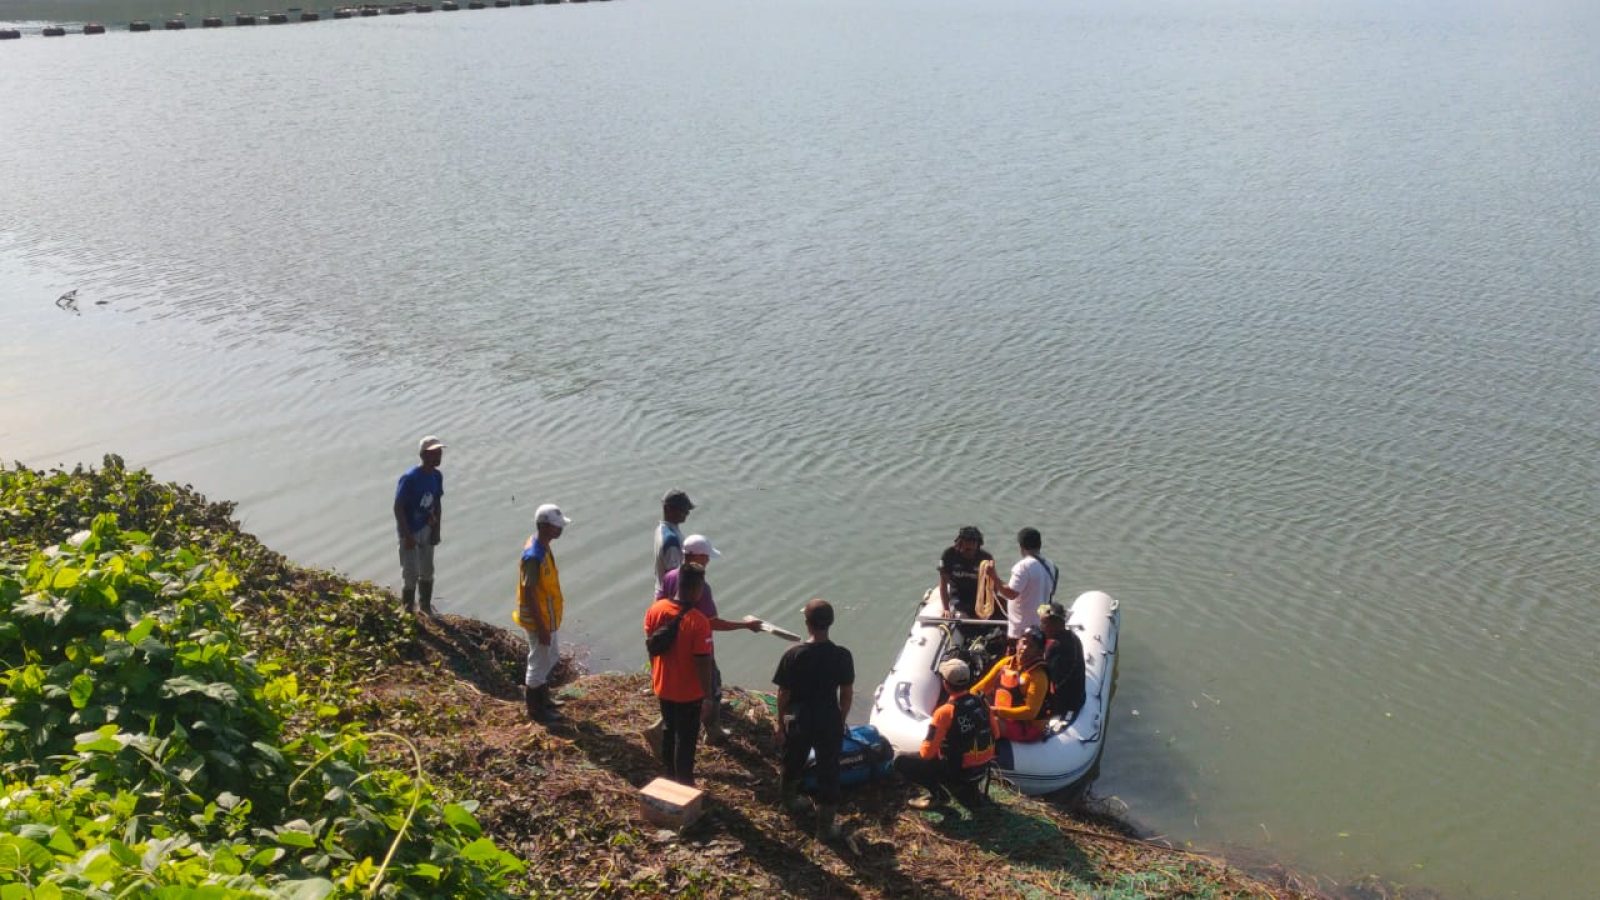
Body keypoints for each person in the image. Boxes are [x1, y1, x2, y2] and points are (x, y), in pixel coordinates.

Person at [658, 535, 761, 741]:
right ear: (697, 557)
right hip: (698, 647)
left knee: (690, 685)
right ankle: (713, 731)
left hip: (675, 644)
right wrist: (746, 626)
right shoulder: (701, 588)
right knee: (710, 687)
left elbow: (661, 604)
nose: (708, 561)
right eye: (706, 557)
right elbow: (712, 623)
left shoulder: (670, 576)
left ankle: (675, 721)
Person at [773, 599, 855, 840]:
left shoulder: (793, 654)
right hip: (828, 717)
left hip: (797, 717)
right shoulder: (841, 655)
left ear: (807, 623)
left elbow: (783, 695)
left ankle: (789, 802)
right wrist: (840, 720)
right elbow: (846, 694)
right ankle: (825, 828)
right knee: (828, 771)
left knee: (792, 760)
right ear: (830, 623)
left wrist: (782, 722)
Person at [644, 562, 716, 786]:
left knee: (668, 729)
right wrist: (708, 697)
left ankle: (669, 775)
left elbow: (651, 647)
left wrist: (656, 676)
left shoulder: (655, 610)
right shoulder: (699, 622)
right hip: (688, 693)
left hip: (663, 686)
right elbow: (702, 663)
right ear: (698, 588)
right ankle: (684, 784)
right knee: (685, 740)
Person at [893, 658, 997, 810]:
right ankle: (970, 790)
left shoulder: (945, 712)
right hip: (983, 768)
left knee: (901, 761)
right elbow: (996, 733)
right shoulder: (982, 702)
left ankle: (939, 795)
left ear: (945, 684)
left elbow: (926, 754)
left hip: (960, 772)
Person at [515, 503, 573, 724]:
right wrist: (541, 627)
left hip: (548, 617)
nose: (560, 529)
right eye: (557, 526)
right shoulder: (534, 555)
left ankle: (545, 699)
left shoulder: (543, 546)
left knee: (551, 656)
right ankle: (536, 710)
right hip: (539, 620)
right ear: (545, 526)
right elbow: (529, 593)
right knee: (538, 663)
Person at [394, 435, 445, 614]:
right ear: (423, 455)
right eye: (434, 453)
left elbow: (437, 503)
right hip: (410, 530)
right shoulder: (410, 478)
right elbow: (398, 508)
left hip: (426, 527)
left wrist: (436, 530)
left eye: (440, 453)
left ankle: (425, 607)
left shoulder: (437, 476)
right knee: (410, 573)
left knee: (427, 570)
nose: (438, 456)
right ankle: (407, 610)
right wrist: (407, 537)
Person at [971, 626, 1050, 742]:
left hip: (1028, 726)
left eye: (1032, 646)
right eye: (1024, 643)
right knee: (976, 704)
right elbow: (982, 687)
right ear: (1017, 643)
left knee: (991, 723)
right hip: (1004, 714)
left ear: (1039, 652)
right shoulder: (1006, 663)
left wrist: (996, 711)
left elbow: (1030, 712)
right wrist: (963, 701)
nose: (1025, 648)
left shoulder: (1039, 676)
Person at [937, 526, 1015, 643]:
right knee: (962, 617)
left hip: (981, 596)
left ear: (978, 545)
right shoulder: (949, 555)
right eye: (966, 547)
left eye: (972, 547)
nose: (969, 551)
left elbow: (992, 584)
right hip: (959, 595)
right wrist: (946, 608)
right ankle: (972, 640)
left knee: (1000, 614)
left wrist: (989, 604)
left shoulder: (986, 558)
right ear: (960, 542)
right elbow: (943, 584)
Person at [1001, 528, 1059, 648]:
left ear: (1021, 546)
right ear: (1040, 544)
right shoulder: (1051, 566)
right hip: (1040, 628)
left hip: (1021, 631)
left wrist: (993, 577)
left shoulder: (1023, 566)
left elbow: (1011, 594)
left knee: (1016, 662)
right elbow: (1050, 592)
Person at [1038, 602, 1086, 721]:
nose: (1041, 627)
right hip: (1077, 694)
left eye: (1044, 623)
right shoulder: (1072, 637)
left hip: (1065, 703)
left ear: (1056, 624)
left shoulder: (1055, 646)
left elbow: (1047, 679)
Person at [653, 489, 694, 592]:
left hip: (660, 590)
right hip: (670, 597)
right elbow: (673, 578)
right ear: (668, 509)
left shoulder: (660, 529)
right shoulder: (671, 540)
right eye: (683, 510)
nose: (687, 513)